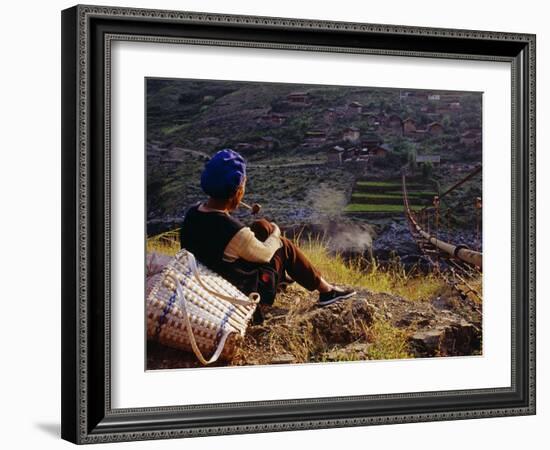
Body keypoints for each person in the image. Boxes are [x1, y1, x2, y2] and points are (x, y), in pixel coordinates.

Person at [179, 149, 356, 315]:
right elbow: (265, 254)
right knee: (284, 245)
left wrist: (266, 229)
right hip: (242, 294)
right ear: (237, 190)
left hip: (212, 281)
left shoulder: (193, 213)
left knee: (261, 226)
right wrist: (276, 232)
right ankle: (327, 291)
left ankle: (284, 276)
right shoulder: (233, 231)